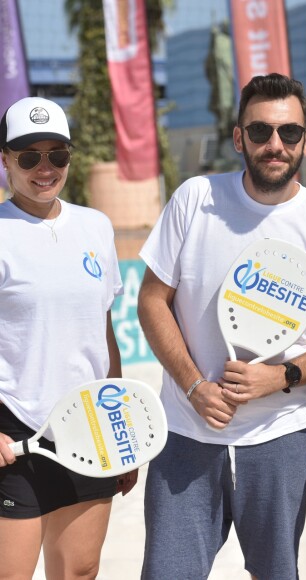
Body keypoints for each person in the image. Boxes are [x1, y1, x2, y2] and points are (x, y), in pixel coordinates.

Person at [137, 73, 306, 580]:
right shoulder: (195, 199)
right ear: (238, 136)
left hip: (278, 436)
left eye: (289, 133)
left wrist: (281, 376)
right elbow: (152, 301)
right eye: (260, 131)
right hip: (186, 431)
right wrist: (193, 384)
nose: (275, 145)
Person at [0, 96, 135, 579]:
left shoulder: (95, 226)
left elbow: (103, 332)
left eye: (57, 155)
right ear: (5, 161)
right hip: (14, 427)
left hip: (90, 424)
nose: (44, 168)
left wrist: (123, 434)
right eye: (28, 156)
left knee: (78, 571)